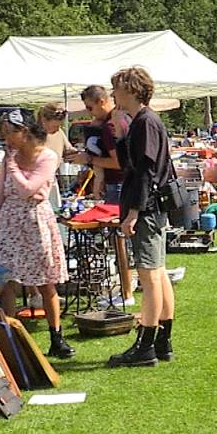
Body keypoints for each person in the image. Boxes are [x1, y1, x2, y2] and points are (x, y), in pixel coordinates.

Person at [0, 110, 73, 360]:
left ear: (24, 133)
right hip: (10, 222)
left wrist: (12, 164)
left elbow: (28, 190)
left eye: (10, 133)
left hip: (36, 222)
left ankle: (56, 337)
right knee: (7, 282)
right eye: (4, 134)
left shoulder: (47, 157)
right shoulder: (8, 159)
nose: (7, 140)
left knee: (46, 282)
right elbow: (0, 196)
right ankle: (10, 339)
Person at [108, 67, 176, 367]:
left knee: (149, 276)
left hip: (146, 209)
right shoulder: (140, 122)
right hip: (151, 207)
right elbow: (130, 165)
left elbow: (145, 172)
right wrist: (121, 134)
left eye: (117, 89)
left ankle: (146, 344)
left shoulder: (146, 122)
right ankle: (162, 342)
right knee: (158, 273)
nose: (113, 94)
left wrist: (133, 212)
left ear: (133, 90)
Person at [67, 85, 126, 202]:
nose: (89, 113)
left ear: (101, 102)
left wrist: (89, 159)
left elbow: (119, 162)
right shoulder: (119, 117)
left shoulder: (111, 125)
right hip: (120, 183)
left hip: (118, 185)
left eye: (90, 108)